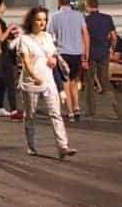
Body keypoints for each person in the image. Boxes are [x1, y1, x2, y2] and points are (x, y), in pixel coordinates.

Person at [10, 8, 76, 159]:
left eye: (44, 20)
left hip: (48, 80)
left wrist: (53, 59)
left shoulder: (47, 37)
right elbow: (25, 61)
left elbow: (52, 54)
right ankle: (31, 146)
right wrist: (34, 75)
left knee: (55, 113)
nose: (42, 23)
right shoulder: (24, 39)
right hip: (30, 82)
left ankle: (63, 146)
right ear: (31, 21)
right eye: (39, 19)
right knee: (30, 115)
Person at [48, 0, 88, 120]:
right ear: (70, 1)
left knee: (65, 82)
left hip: (63, 53)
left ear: (59, 1)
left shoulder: (54, 16)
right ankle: (77, 108)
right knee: (74, 81)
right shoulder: (79, 15)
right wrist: (86, 52)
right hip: (77, 53)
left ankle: (70, 112)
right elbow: (85, 33)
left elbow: (49, 35)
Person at [82, 0, 122, 119]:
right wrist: (111, 48)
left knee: (89, 82)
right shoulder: (107, 18)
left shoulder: (85, 20)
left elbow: (84, 38)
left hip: (90, 53)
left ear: (88, 6)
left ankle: (91, 110)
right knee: (105, 81)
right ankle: (116, 106)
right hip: (104, 53)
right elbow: (114, 37)